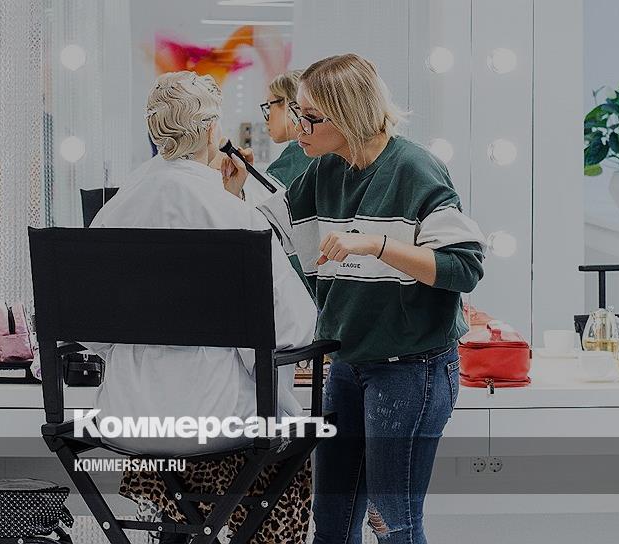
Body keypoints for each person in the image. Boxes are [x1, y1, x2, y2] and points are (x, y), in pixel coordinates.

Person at [221, 54, 486, 544]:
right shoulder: (324, 172)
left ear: (348, 115)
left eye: (309, 117)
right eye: (296, 113)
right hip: (347, 365)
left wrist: (377, 245)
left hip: (412, 368)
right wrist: (235, 194)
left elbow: (463, 267)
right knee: (332, 525)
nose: (298, 127)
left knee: (393, 523)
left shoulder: (415, 169)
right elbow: (269, 239)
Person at [88, 70, 316, 544]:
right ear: (213, 131)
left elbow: (89, 333)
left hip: (127, 419)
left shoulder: (112, 214)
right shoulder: (236, 217)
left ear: (154, 132)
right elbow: (293, 329)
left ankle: (178, 527)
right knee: (286, 438)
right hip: (216, 421)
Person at [260, 69, 313, 285]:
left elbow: (261, 210)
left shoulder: (299, 155)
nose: (266, 119)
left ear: (291, 105)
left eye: (269, 107)